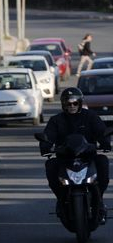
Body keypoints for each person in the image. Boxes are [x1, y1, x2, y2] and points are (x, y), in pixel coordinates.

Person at [40, 87, 110, 224]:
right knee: (51, 164)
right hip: (65, 159)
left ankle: (99, 200)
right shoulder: (56, 120)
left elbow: (101, 131)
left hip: (88, 157)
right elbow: (48, 135)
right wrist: (45, 146)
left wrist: (105, 142)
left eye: (74, 103)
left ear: (79, 103)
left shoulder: (90, 116)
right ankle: (61, 200)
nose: (71, 106)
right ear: (63, 104)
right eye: (68, 103)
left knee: (103, 161)